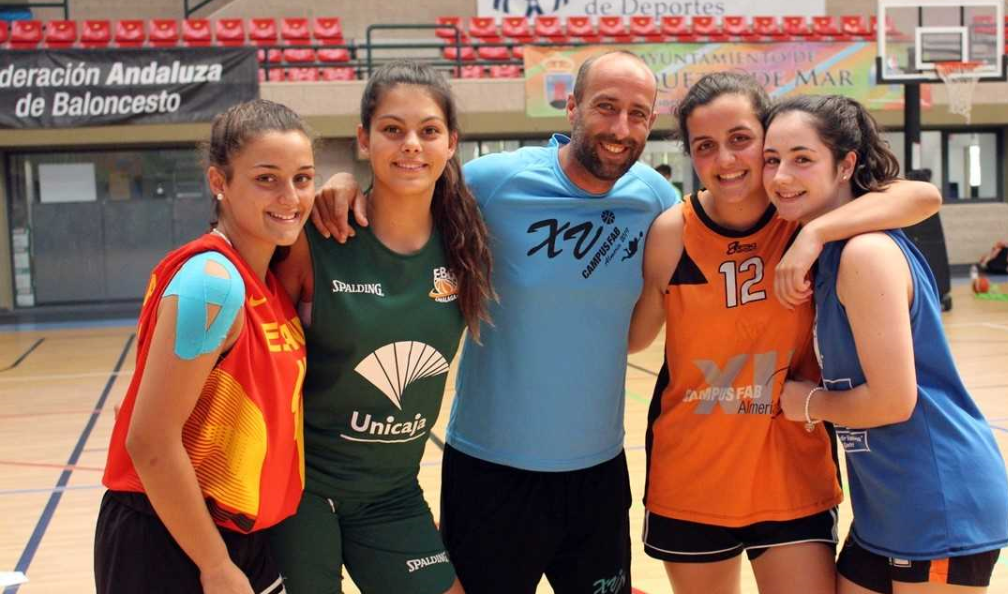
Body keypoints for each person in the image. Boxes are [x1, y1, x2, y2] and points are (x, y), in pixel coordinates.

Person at [313, 51, 680, 594]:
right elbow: (405, 185)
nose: (620, 127)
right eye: (605, 107)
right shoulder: (494, 182)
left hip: (598, 471)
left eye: (638, 113)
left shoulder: (654, 198)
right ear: (572, 107)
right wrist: (340, 182)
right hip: (490, 472)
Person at [627, 74, 941, 594]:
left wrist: (814, 233)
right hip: (693, 473)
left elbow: (923, 196)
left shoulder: (804, 213)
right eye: (705, 146)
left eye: (741, 140)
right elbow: (634, 338)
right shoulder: (671, 232)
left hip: (792, 470)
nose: (726, 160)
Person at [764, 95, 1008, 594]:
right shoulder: (833, 247)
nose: (781, 176)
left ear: (846, 165)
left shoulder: (864, 253)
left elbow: (894, 401)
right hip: (886, 502)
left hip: (936, 497)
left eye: (802, 158)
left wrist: (806, 403)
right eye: (772, 159)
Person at [267, 63, 493, 594]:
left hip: (391, 493)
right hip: (300, 492)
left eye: (428, 130)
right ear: (364, 141)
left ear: (451, 143)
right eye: (393, 129)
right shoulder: (313, 241)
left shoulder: (468, 247)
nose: (411, 144)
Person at [96, 100, 316, 594]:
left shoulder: (267, 281)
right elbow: (149, 441)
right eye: (266, 178)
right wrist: (214, 565)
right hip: (171, 536)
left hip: (239, 533)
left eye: (303, 178)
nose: (290, 195)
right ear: (219, 182)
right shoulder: (213, 281)